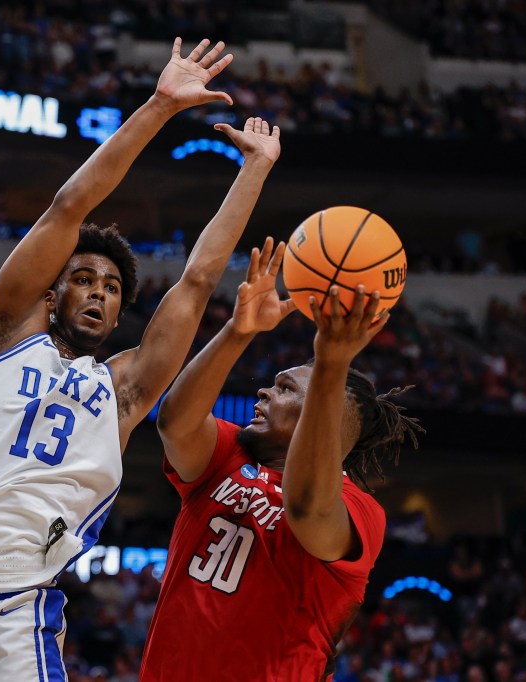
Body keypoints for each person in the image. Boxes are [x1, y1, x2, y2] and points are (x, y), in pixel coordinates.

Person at [0, 37, 283, 680]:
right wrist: (158, 107)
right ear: (50, 292)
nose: (99, 292)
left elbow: (195, 282)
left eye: (112, 288)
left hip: (11, 615)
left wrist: (255, 170)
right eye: (84, 278)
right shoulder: (4, 336)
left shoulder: (123, 389)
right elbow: (70, 206)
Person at [139, 249, 423, 680]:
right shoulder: (230, 456)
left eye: (285, 389)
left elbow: (307, 506)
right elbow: (175, 422)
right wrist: (238, 330)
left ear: (319, 415)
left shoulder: (359, 510)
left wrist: (331, 364)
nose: (263, 394)